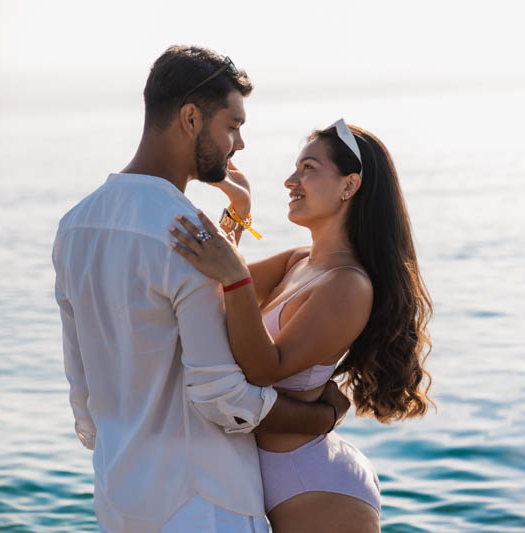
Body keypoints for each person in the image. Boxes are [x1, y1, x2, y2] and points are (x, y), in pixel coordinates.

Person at [52, 45, 350, 533]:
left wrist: (236, 222)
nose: (240, 144)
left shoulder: (75, 226)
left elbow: (83, 387)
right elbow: (223, 397)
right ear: (191, 118)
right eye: (232, 126)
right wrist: (322, 416)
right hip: (203, 504)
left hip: (117, 498)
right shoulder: (189, 234)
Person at [168, 118, 434, 533]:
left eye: (308, 168)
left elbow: (264, 368)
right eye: (295, 168)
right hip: (259, 476)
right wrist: (238, 215)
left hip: (312, 486)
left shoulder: (349, 285)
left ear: (349, 186)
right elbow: (207, 294)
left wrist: (234, 275)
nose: (291, 180)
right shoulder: (298, 261)